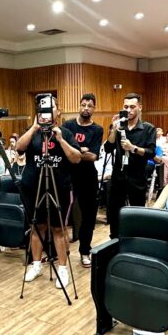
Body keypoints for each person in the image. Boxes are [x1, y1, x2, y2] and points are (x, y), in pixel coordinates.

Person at [17, 98, 82, 289]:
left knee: (58, 229)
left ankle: (62, 268)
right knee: (37, 227)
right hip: (33, 187)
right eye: (42, 108)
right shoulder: (33, 131)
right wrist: (34, 128)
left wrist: (60, 139)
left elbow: (76, 158)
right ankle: (36, 265)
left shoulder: (66, 133)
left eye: (50, 108)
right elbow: (19, 148)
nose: (45, 111)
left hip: (58, 187)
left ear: (58, 112)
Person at [104, 93, 157, 238]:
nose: (129, 110)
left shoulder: (148, 128)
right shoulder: (119, 126)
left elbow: (151, 153)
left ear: (140, 107)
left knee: (137, 211)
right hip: (118, 176)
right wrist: (114, 129)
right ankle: (114, 239)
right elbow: (108, 148)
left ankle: (137, 238)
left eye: (132, 107)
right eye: (126, 107)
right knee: (115, 212)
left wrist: (133, 148)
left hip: (137, 175)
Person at [62, 93, 104, 267]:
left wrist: (75, 151)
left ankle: (85, 251)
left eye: (90, 105)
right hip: (68, 175)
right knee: (62, 214)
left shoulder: (97, 129)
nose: (86, 108)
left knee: (88, 217)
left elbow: (93, 156)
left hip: (88, 177)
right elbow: (64, 151)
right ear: (79, 106)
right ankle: (58, 250)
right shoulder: (68, 125)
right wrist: (81, 150)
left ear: (94, 109)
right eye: (83, 104)